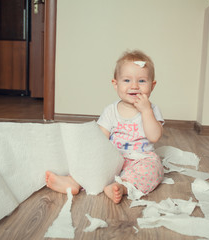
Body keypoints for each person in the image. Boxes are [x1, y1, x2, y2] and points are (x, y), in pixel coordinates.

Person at [45, 50, 164, 203]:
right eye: (127, 80)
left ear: (152, 86)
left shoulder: (152, 110)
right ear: (116, 84)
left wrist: (146, 110)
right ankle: (73, 181)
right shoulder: (111, 111)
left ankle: (123, 187)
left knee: (154, 170)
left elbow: (154, 136)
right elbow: (100, 140)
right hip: (113, 157)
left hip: (140, 159)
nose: (134, 86)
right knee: (91, 161)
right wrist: (92, 158)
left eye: (141, 81)